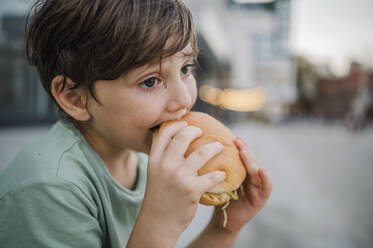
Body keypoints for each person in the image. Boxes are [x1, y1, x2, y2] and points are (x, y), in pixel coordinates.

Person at [0, 0, 272, 247]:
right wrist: (159, 222)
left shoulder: (143, 162)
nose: (185, 98)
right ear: (75, 98)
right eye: (150, 81)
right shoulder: (50, 190)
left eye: (185, 69)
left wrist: (222, 230)